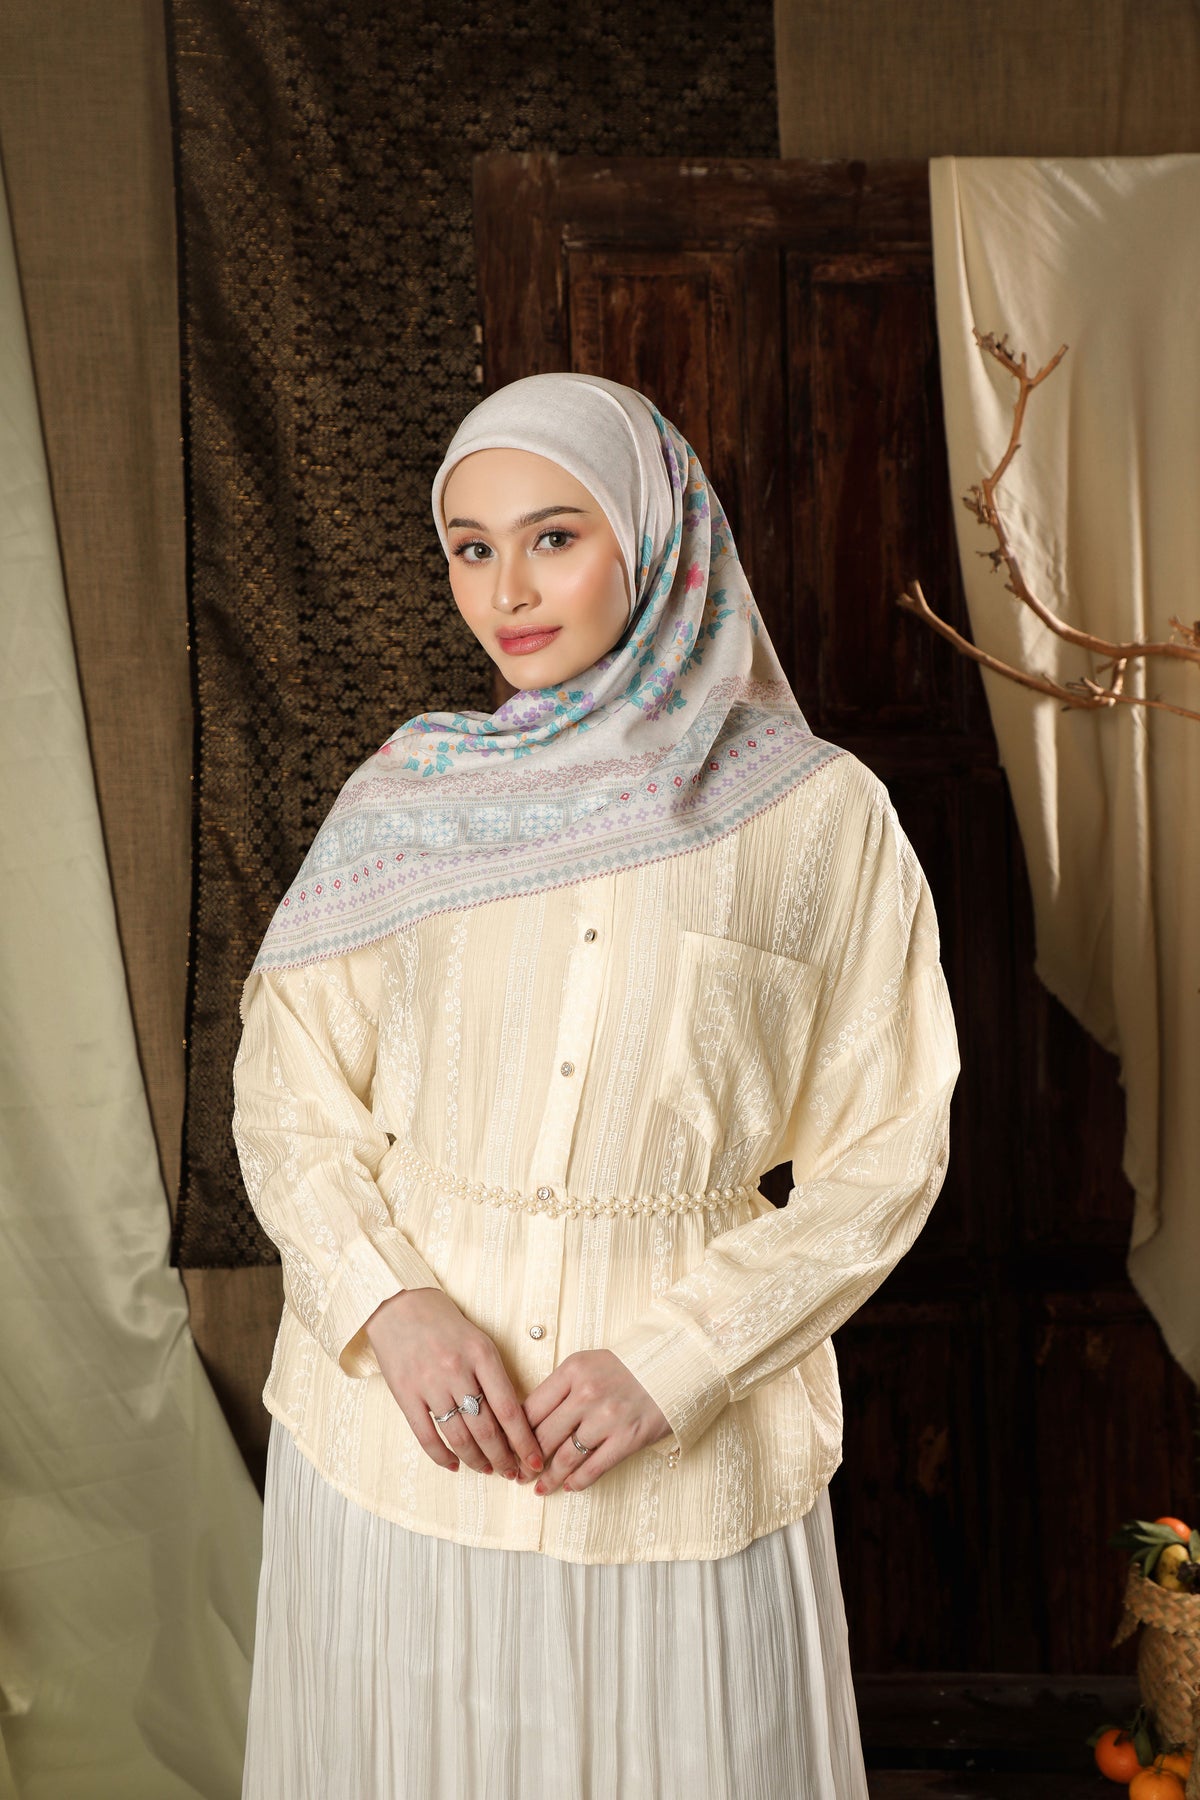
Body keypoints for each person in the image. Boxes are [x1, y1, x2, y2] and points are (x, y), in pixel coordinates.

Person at [232, 372, 960, 1798]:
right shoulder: (404, 803)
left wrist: (677, 1362)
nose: (506, 589)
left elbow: (887, 1151)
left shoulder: (817, 817)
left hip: (681, 1474)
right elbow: (288, 1088)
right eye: (471, 546)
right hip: (397, 1453)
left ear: (656, 537)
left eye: (553, 537)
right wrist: (389, 1304)